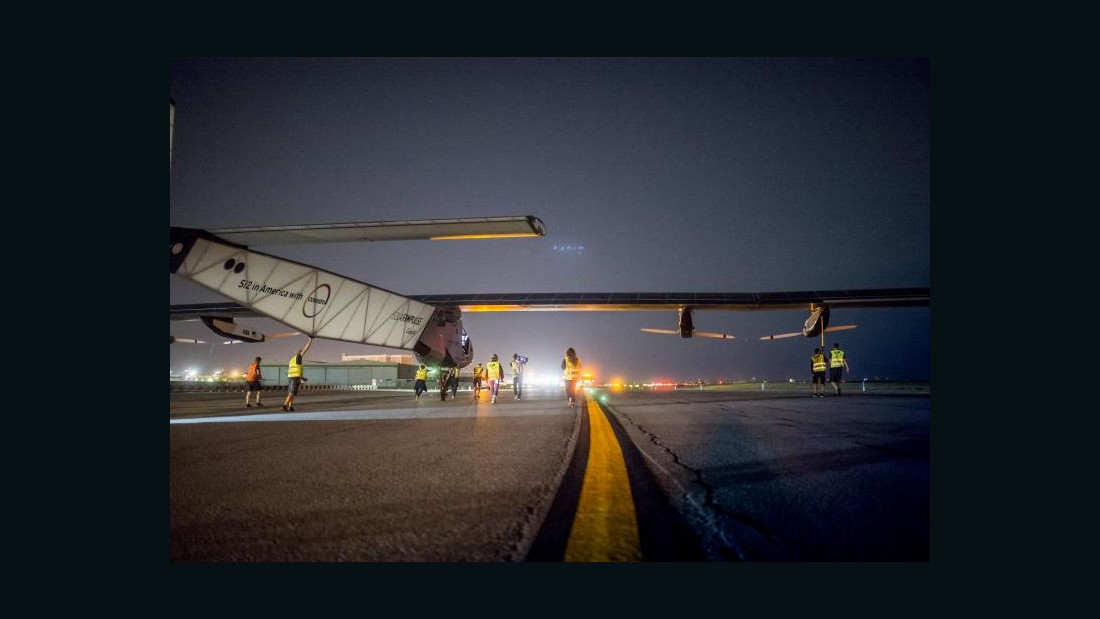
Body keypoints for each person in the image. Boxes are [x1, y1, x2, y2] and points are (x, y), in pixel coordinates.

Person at [282, 337, 313, 411]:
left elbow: (296, 369)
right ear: (300, 353)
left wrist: (302, 378)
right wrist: (310, 341)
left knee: (292, 392)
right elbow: (305, 349)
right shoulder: (298, 357)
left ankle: (290, 406)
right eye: (301, 352)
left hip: (291, 377)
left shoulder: (292, 359)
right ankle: (285, 405)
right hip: (294, 378)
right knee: (292, 393)